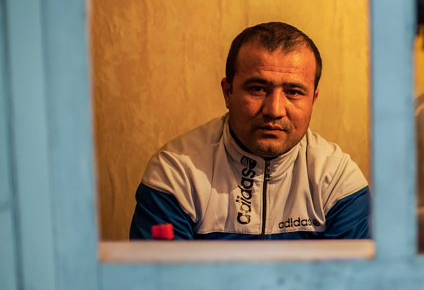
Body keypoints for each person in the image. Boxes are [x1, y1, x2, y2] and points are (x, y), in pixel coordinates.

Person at [129, 22, 370, 240]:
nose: (274, 110)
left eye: (293, 92)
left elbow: (355, 284)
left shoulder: (338, 179)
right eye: (257, 88)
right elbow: (163, 284)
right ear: (228, 92)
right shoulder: (176, 173)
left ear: (313, 99)